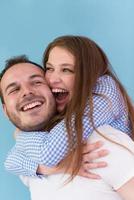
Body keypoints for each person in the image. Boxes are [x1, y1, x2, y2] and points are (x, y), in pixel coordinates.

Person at [1, 34, 134, 199]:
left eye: (66, 70)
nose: (53, 79)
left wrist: (20, 134)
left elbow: (48, 153)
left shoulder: (101, 142)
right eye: (49, 69)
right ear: (4, 110)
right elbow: (10, 162)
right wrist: (49, 168)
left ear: (88, 78)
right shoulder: (34, 154)